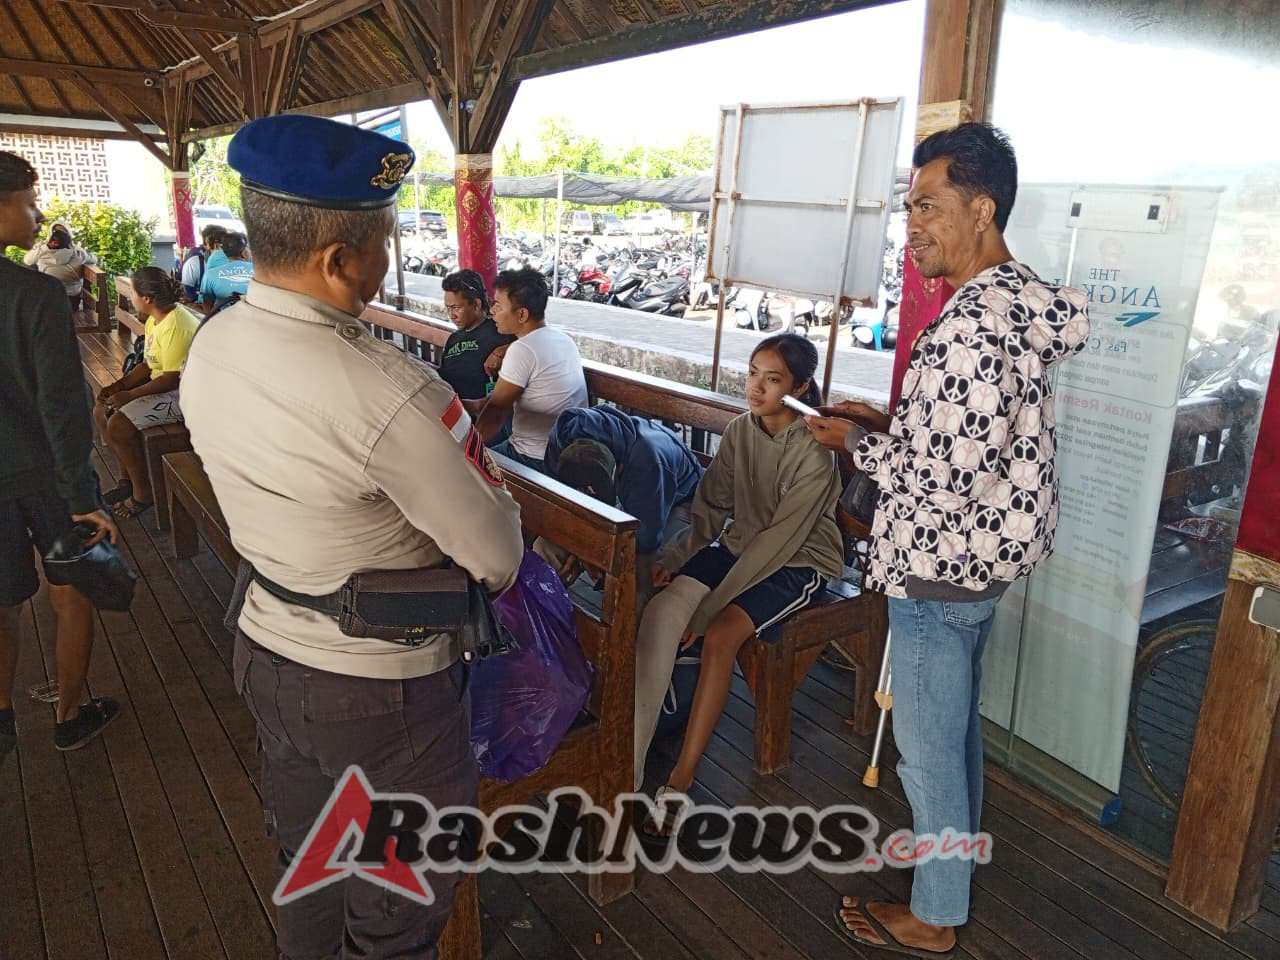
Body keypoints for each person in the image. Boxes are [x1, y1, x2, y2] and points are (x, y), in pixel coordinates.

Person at [179, 114, 524, 960]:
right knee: (397, 903)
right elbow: (497, 557)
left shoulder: (213, 344)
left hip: (265, 649)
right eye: (384, 242)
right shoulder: (391, 392)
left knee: (310, 860)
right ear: (340, 260)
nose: (389, 258)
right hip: (381, 691)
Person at [805, 123, 1090, 957]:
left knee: (927, 755)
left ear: (983, 208)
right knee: (954, 731)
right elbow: (967, 443)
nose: (913, 225)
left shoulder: (969, 324)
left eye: (927, 205)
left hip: (938, 570)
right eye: (908, 208)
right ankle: (951, 878)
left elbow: (939, 481)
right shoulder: (1013, 304)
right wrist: (885, 422)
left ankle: (934, 916)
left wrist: (852, 444)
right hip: (983, 565)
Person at [633, 334, 842, 809]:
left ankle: (682, 778)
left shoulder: (813, 451)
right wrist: (674, 557)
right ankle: (631, 754)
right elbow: (710, 507)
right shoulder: (741, 430)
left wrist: (708, 609)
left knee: (720, 634)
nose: (756, 387)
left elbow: (778, 542)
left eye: (773, 379)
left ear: (801, 387)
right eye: (753, 373)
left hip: (799, 560)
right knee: (661, 608)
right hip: (741, 544)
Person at [0, 150, 122, 763]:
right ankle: (71, 715)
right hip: (46, 478)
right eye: (27, 202)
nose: (37, 213)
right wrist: (82, 497)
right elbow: (62, 407)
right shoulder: (36, 294)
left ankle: (1, 722)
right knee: (69, 591)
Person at [542, 405, 704, 598]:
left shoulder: (647, 462)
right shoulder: (561, 440)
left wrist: (633, 592)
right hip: (634, 495)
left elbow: (645, 545)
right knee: (546, 547)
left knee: (653, 572)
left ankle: (632, 624)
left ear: (618, 468)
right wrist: (581, 550)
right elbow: (560, 506)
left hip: (683, 501)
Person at [92, 267, 199, 519]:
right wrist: (120, 386)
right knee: (101, 409)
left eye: (133, 293)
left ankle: (143, 493)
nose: (132, 297)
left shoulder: (177, 326)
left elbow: (171, 379)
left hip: (185, 395)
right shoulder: (154, 318)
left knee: (118, 423)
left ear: (148, 298)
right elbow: (148, 364)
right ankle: (126, 478)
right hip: (165, 384)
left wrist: (129, 396)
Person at [471, 267, 588, 472]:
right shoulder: (563, 339)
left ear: (522, 314)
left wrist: (468, 452)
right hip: (568, 450)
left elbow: (496, 411)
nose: (492, 311)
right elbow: (500, 401)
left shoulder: (521, 349)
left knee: (470, 469)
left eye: (498, 305)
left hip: (534, 457)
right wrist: (473, 405)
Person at [439, 268, 514, 401]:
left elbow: (534, 342)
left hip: (486, 412)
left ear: (476, 304)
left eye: (456, 308)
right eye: (448, 308)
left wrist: (503, 350)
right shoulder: (453, 339)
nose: (451, 315)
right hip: (454, 409)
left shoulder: (499, 330)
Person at [24, 221, 97, 315]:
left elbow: (28, 260)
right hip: (52, 298)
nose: (59, 234)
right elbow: (94, 259)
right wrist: (46, 246)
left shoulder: (76, 252)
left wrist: (46, 247)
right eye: (55, 231)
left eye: (62, 231)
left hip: (65, 298)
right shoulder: (77, 252)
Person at [200, 230, 253, 313]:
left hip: (224, 322)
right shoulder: (261, 272)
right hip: (257, 321)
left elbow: (207, 304)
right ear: (243, 252)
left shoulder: (209, 274)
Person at [180, 223, 225, 302]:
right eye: (217, 245)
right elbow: (187, 297)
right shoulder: (194, 264)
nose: (220, 248)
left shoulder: (233, 262)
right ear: (205, 245)